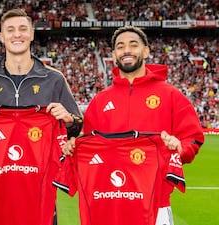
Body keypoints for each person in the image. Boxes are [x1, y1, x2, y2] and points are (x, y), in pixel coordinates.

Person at [63, 25, 204, 225]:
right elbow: (88, 144)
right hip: (107, 200)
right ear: (113, 54)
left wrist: (179, 148)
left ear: (146, 51)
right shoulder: (100, 101)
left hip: (155, 205)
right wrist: (72, 148)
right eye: (120, 46)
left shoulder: (171, 95)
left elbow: (193, 138)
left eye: (133, 45)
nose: (126, 50)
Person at [0, 8, 83, 225]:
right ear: (2, 37)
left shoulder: (54, 79)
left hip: (40, 198)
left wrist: (68, 119)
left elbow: (76, 127)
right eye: (10, 30)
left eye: (23, 29)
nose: (17, 35)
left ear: (32, 34)